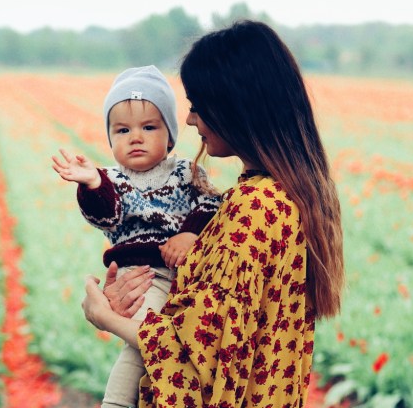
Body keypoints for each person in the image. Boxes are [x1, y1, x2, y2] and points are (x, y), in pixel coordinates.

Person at [81, 21, 344, 407]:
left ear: (234, 106)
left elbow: (198, 356)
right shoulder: (282, 197)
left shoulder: (254, 210)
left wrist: (104, 316)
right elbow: (217, 327)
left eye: (197, 105)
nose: (190, 120)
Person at [51, 65, 222, 408]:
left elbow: (211, 203)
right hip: (142, 275)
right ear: (111, 139)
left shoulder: (187, 172)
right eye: (123, 130)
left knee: (152, 345)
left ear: (170, 136)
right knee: (145, 342)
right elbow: (105, 215)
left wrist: (189, 233)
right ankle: (116, 402)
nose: (136, 137)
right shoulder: (111, 181)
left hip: (181, 271)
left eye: (149, 127)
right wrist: (92, 184)